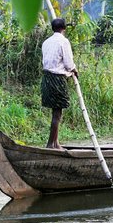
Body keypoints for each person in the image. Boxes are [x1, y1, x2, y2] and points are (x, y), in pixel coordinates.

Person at [41, 18, 78, 149]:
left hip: (46, 79)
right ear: (64, 29)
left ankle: (55, 142)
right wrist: (75, 70)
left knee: (54, 112)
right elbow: (68, 64)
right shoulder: (64, 42)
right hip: (57, 79)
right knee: (57, 113)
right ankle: (51, 144)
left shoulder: (46, 42)